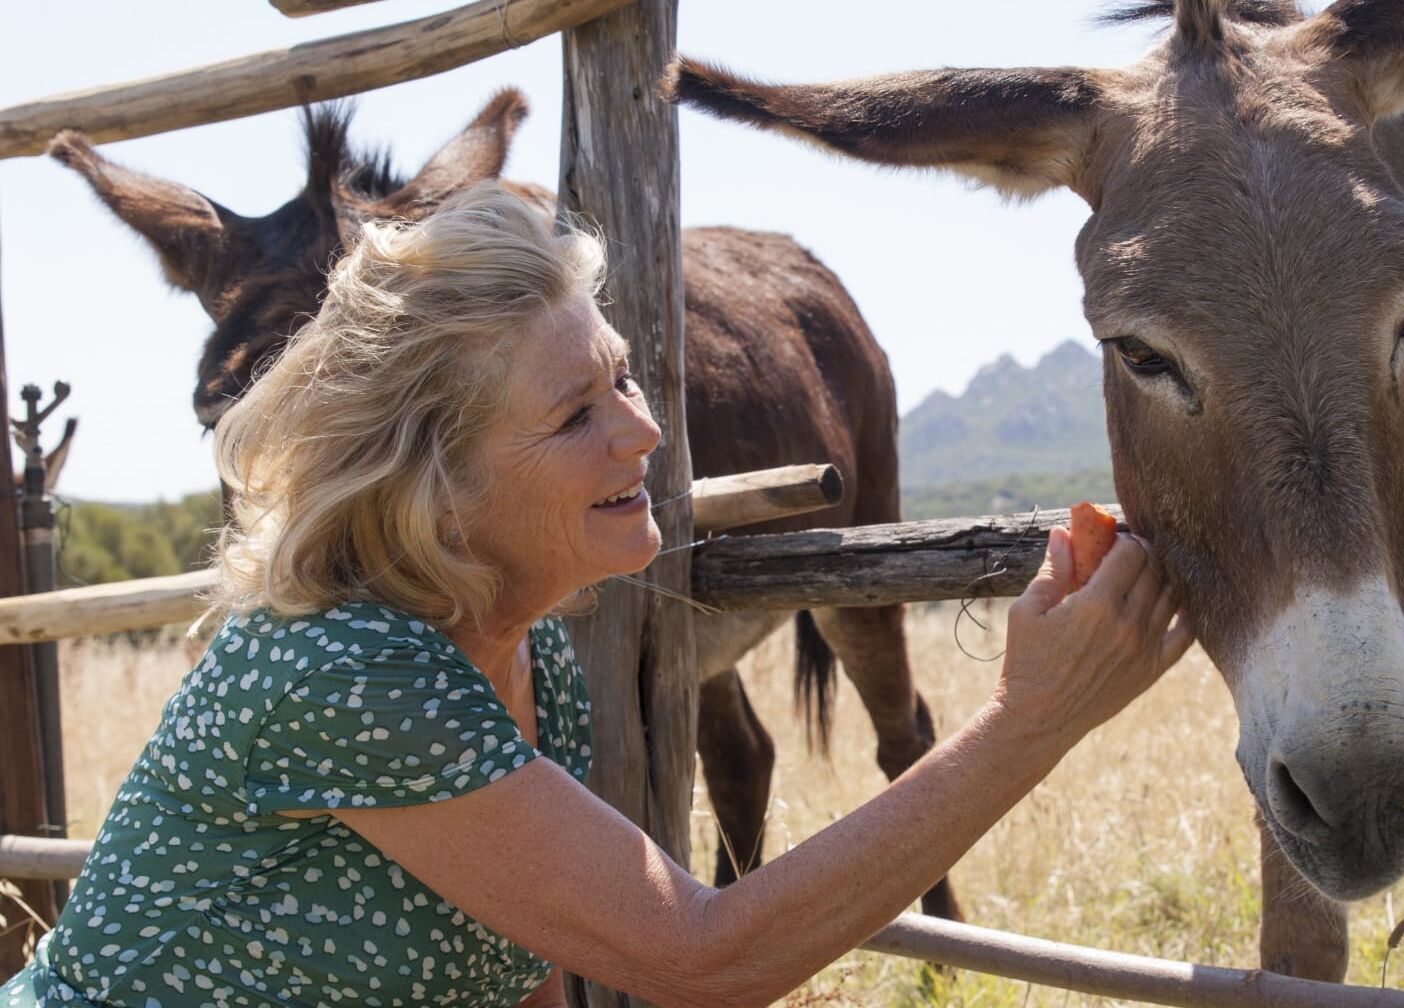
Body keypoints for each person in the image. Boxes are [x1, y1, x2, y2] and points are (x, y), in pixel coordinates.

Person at [0, 183, 1193, 1008]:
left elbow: (524, 972)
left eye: (622, 380)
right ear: (438, 484)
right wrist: (1032, 718)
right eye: (576, 413)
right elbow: (694, 959)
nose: (644, 434)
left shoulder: (531, 665)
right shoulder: (346, 671)